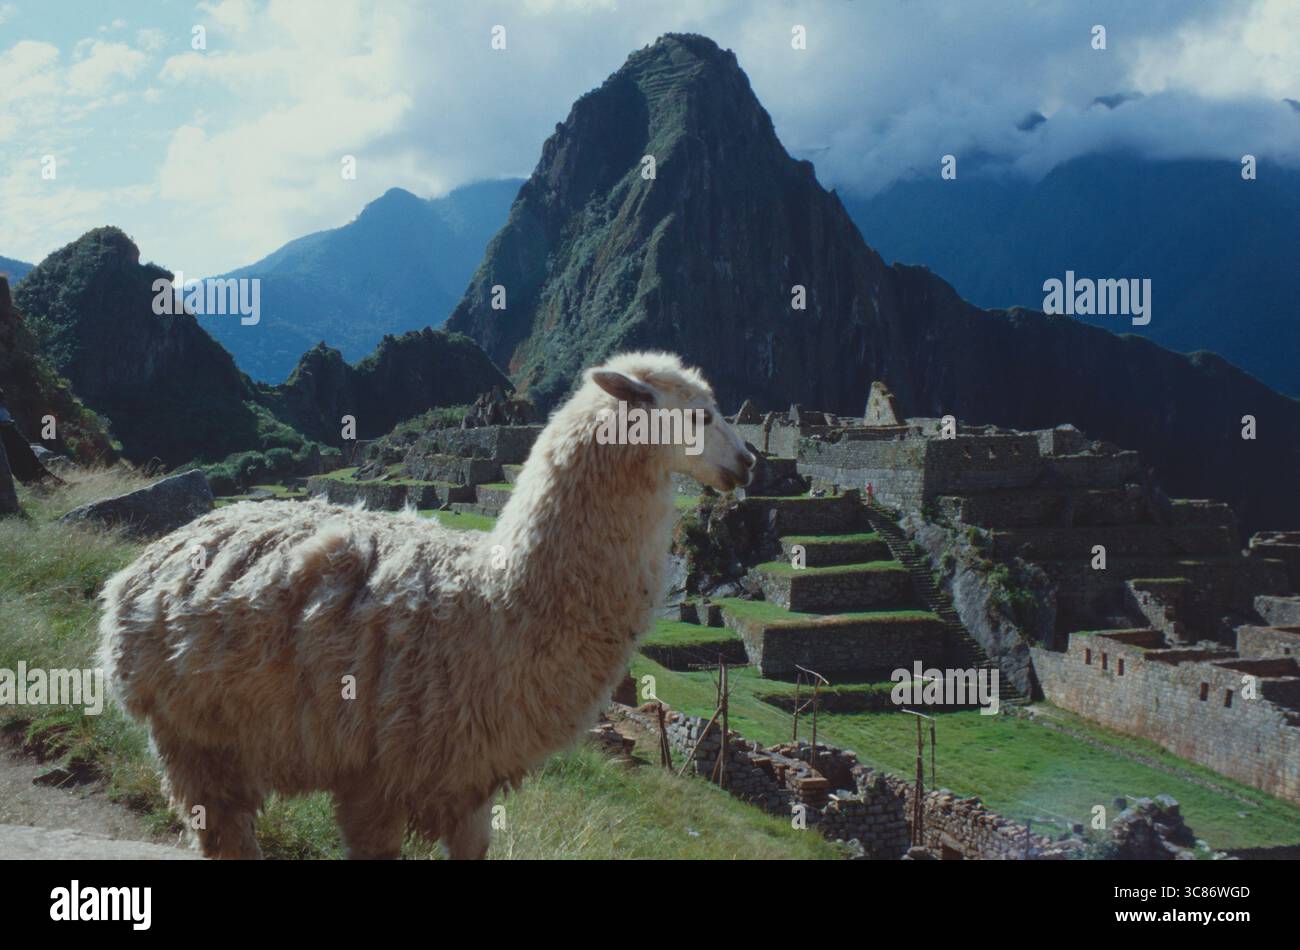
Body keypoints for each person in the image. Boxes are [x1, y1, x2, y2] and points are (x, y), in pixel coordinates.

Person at [0, 387, 62, 484]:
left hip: (10, 430)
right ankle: (38, 486)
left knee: (28, 457)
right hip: (4, 434)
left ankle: (53, 483)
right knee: (17, 462)